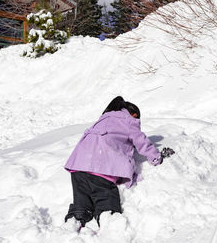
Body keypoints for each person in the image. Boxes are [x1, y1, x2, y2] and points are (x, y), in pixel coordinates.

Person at [64, 96, 163, 227]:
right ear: (134, 114)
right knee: (105, 197)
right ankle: (108, 221)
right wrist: (155, 157)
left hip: (79, 165)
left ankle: (76, 218)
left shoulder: (104, 118)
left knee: (82, 199)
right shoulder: (128, 120)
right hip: (101, 167)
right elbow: (141, 141)